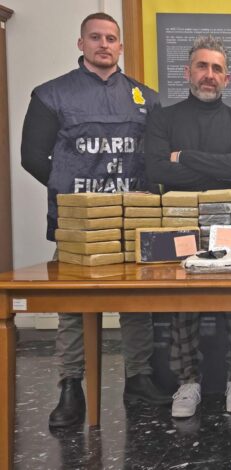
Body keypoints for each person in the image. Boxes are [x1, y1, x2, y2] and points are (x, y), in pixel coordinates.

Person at [20, 12, 171, 428]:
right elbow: (32, 157)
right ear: (81, 44)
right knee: (73, 305)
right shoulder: (52, 95)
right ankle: (71, 386)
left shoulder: (147, 98)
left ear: (121, 46)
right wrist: (74, 197)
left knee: (136, 302)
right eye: (96, 37)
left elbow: (156, 158)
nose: (104, 44)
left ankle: (138, 377)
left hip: (131, 219)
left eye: (111, 38)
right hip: (80, 225)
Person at [144, 35, 231, 418]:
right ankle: (187, 382)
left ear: (227, 79)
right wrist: (212, 167)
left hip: (228, 224)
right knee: (183, 302)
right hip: (179, 223)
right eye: (202, 66)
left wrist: (184, 157)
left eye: (217, 68)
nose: (209, 75)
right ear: (187, 72)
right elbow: (157, 169)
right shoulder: (163, 118)